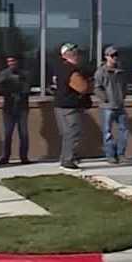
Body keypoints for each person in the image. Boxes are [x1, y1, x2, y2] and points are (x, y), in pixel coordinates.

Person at [53, 42, 92, 171]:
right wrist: (88, 83)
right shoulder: (70, 69)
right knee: (73, 133)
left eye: (76, 52)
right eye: (74, 53)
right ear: (66, 55)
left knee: (67, 134)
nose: (77, 55)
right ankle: (67, 161)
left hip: (63, 106)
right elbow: (82, 87)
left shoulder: (60, 68)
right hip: (68, 107)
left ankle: (66, 158)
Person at [94, 46, 129, 164]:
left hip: (120, 105)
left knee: (124, 130)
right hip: (107, 107)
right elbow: (97, 88)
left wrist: (123, 96)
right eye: (112, 55)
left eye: (116, 55)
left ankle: (121, 154)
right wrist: (105, 98)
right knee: (107, 131)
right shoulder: (101, 72)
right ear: (106, 56)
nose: (115, 58)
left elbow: (124, 86)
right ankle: (110, 155)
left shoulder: (121, 71)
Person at [0, 55, 32, 165]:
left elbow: (26, 89)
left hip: (22, 107)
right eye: (9, 61)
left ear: (17, 61)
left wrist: (15, 85)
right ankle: (5, 157)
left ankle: (24, 157)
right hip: (9, 108)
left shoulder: (25, 74)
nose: (11, 63)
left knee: (24, 133)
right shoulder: (4, 74)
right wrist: (13, 86)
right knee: (8, 133)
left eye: (13, 61)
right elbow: (2, 88)